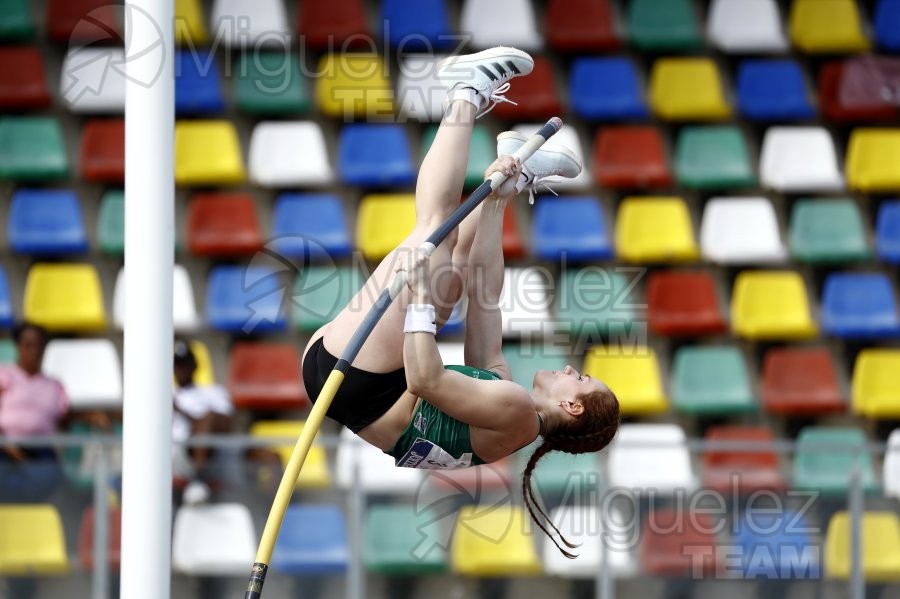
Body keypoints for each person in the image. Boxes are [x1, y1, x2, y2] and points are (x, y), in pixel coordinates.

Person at [302, 47, 620, 557]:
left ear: (571, 405)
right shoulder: (511, 409)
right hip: (352, 380)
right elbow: (487, 299)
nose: (569, 367)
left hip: (356, 382)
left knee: (435, 241)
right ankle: (515, 176)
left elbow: (424, 379)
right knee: (455, 267)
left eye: (578, 378)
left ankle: (464, 92)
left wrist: (424, 294)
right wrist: (495, 204)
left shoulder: (517, 410)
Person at [172, 340, 233, 505]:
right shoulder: (166, 393)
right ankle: (198, 478)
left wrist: (183, 413)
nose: (180, 370)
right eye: (177, 365)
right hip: (177, 456)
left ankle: (281, 511)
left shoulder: (213, 391)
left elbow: (226, 424)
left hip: (214, 454)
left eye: (185, 364)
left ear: (195, 365)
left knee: (270, 456)